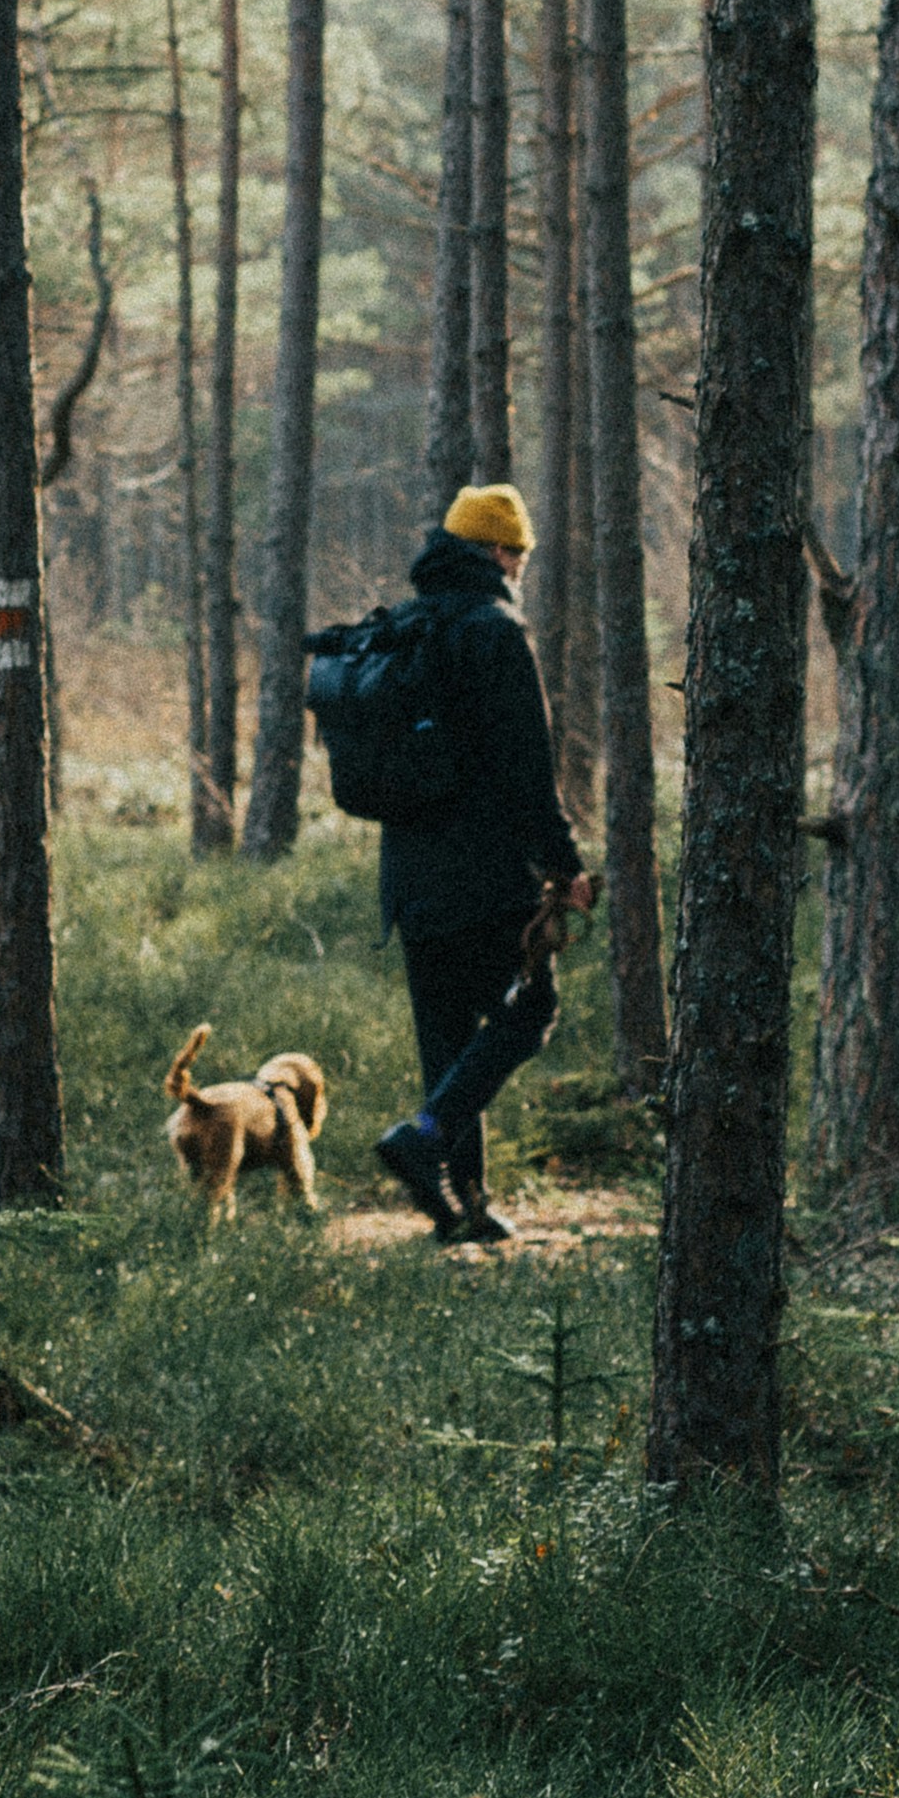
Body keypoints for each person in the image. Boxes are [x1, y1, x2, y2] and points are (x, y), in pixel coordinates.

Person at [369, 482, 595, 1246]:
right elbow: (528, 770)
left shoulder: (405, 625)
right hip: (485, 875)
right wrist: (565, 868)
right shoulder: (496, 631)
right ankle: (424, 1139)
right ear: (499, 552)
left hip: (408, 876)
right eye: (520, 554)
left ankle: (461, 1205)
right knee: (527, 1013)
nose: (523, 567)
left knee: (447, 1034)